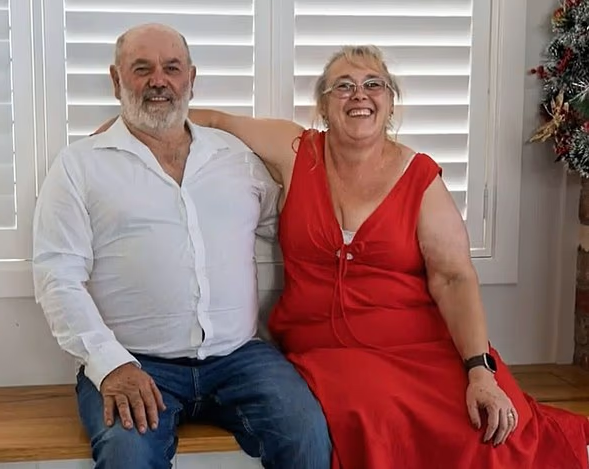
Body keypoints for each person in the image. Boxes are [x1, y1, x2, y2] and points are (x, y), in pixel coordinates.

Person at [181, 45, 589, 468]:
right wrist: (139, 123)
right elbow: (215, 121)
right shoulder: (295, 150)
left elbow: (453, 278)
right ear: (323, 105)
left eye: (373, 84)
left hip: (421, 347)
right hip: (327, 354)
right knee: (377, 420)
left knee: (490, 430)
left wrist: (479, 370)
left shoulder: (420, 177)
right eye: (343, 86)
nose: (359, 94)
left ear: (390, 102)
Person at [32, 23, 331, 469]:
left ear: (191, 79)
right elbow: (57, 277)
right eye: (142, 69)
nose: (159, 81)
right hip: (134, 362)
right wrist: (110, 364)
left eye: (172, 68)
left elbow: (287, 228)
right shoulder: (78, 166)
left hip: (240, 357)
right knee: (127, 457)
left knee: (307, 435)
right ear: (116, 80)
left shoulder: (236, 158)